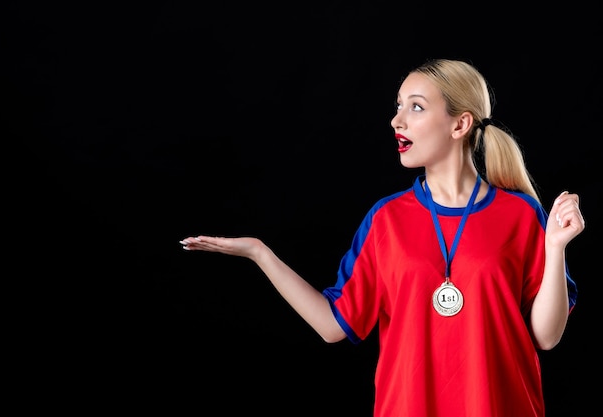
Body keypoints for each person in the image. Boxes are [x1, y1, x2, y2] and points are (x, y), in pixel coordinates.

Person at [179, 58, 585, 417]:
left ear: (460, 124)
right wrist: (261, 254)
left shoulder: (519, 214)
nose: (397, 120)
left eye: (416, 107)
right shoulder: (386, 219)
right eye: (398, 106)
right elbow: (333, 325)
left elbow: (546, 337)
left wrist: (556, 248)